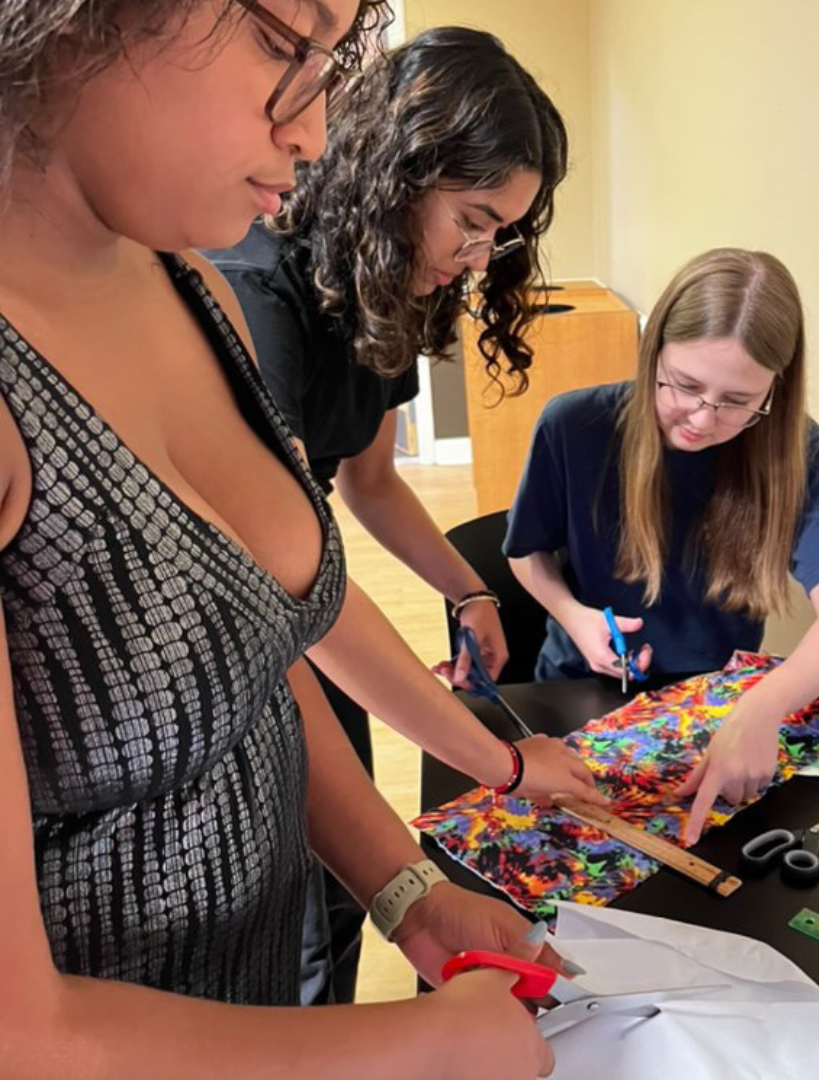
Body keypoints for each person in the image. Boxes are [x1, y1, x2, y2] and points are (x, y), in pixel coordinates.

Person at [0, 2, 573, 1075]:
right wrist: (415, 1047)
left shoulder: (190, 281)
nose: (313, 128)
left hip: (252, 972)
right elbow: (18, 1029)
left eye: (332, 63)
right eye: (282, 45)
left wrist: (405, 889)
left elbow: (255, 646)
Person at [205, 26, 571, 1003]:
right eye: (474, 218)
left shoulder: (386, 286)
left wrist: (466, 587)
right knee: (287, 915)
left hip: (305, 596)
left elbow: (367, 485)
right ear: (397, 174)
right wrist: (497, 761)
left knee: (345, 891)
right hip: (248, 627)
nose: (482, 253)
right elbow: (291, 587)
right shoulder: (254, 301)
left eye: (504, 232)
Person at [505, 248, 819, 845]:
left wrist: (760, 710)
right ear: (653, 353)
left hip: (713, 705)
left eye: (737, 401)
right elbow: (527, 554)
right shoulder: (573, 426)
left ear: (775, 390)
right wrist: (574, 619)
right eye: (685, 386)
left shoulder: (796, 453)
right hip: (579, 696)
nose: (703, 420)